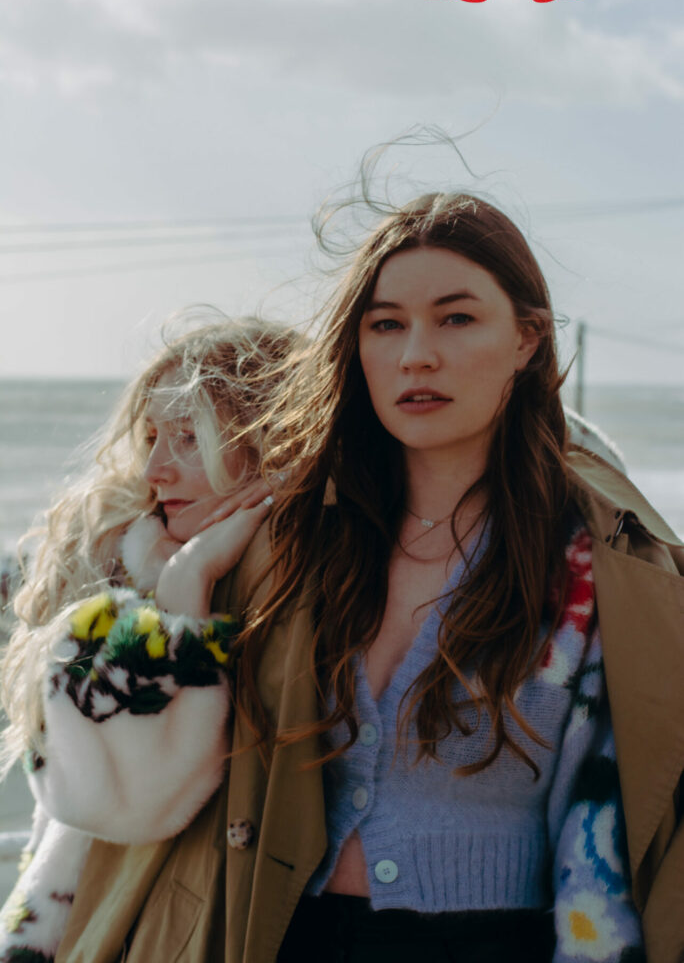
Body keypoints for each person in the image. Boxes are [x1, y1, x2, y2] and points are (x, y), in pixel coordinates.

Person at [4, 194, 684, 963]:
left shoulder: (596, 563)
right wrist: (183, 593)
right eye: (386, 324)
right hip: (280, 936)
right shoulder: (293, 545)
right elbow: (113, 802)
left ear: (527, 339)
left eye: (456, 319)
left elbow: (612, 843)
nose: (415, 355)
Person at [0, 314, 298, 962]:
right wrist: (181, 592)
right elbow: (98, 801)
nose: (156, 470)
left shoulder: (300, 585)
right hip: (83, 930)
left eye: (189, 438)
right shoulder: (119, 572)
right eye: (151, 437)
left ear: (269, 440)